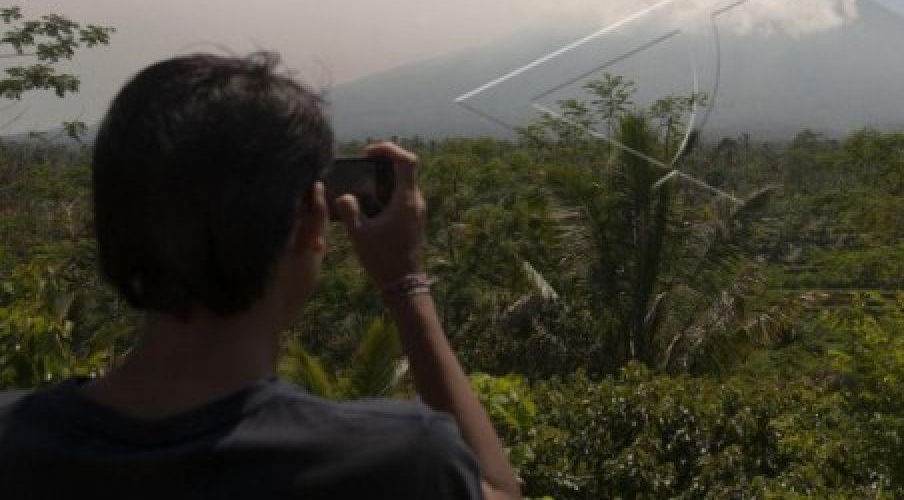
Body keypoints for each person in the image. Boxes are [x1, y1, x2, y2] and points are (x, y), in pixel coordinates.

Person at [0, 52, 522, 499]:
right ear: (313, 221)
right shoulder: (394, 464)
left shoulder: (15, 443)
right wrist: (406, 280)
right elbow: (498, 488)